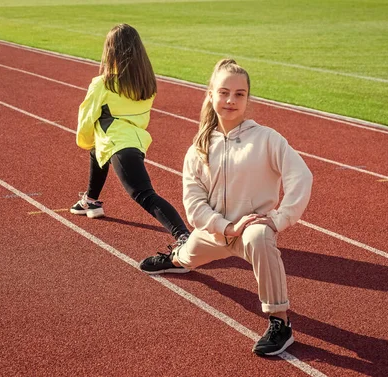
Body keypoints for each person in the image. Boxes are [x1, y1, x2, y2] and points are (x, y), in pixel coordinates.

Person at [139, 58, 313, 356]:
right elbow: (193, 204)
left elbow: (301, 176)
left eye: (239, 94)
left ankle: (279, 322)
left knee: (259, 238)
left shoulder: (267, 139)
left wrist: (279, 219)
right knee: (185, 255)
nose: (231, 100)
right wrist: (225, 227)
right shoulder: (198, 149)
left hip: (251, 230)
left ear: (248, 99)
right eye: (224, 92)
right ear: (210, 94)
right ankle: (177, 259)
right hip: (215, 231)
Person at [71, 23, 190, 245]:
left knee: (144, 194)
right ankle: (91, 200)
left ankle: (183, 235)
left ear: (110, 51)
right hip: (136, 140)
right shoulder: (147, 84)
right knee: (99, 148)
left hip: (120, 145)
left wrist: (85, 141)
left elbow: (86, 119)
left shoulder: (102, 84)